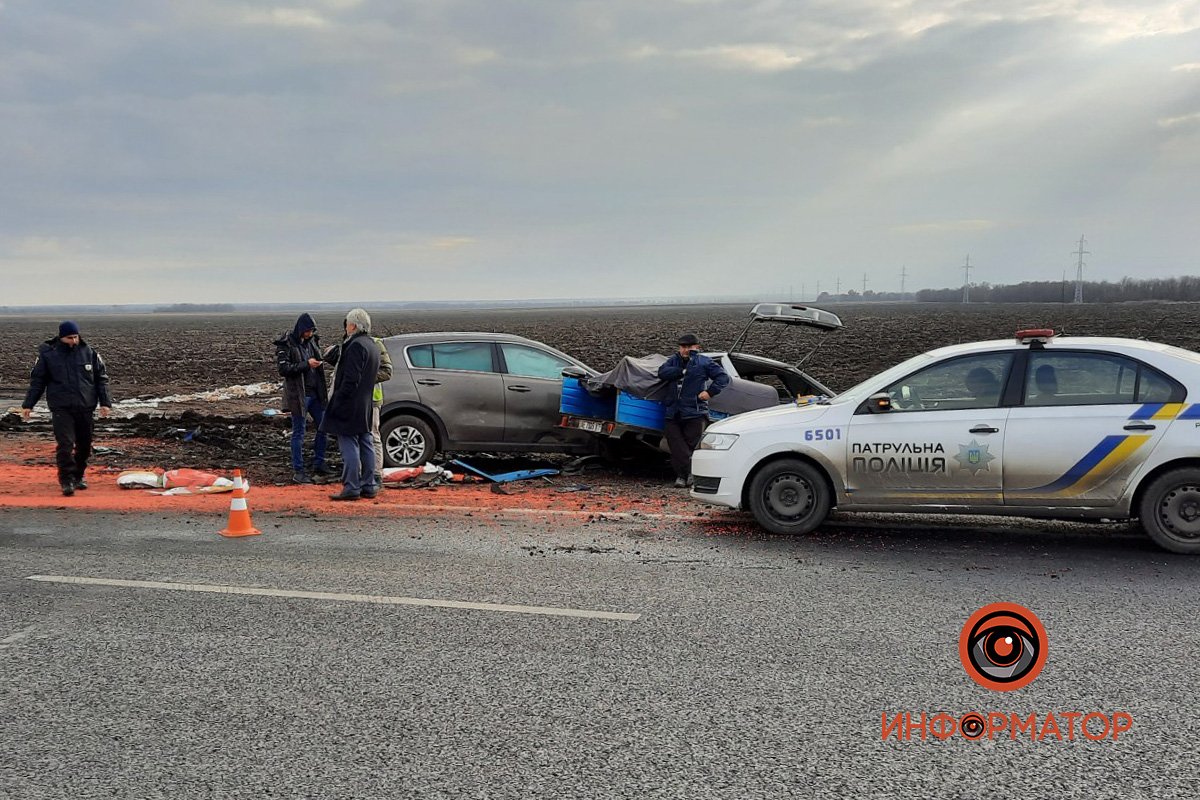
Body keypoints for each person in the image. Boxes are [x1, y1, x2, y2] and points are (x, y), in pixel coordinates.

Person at [21, 321, 113, 496]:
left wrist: (105, 403)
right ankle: (66, 479)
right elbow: (38, 382)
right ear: (62, 337)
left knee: (85, 446)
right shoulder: (48, 355)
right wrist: (28, 404)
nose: (74, 341)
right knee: (65, 444)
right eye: (70, 338)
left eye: (76, 337)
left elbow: (101, 379)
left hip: (85, 406)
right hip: (61, 407)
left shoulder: (89, 352)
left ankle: (78, 475)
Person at [319, 309, 381, 501]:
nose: (346, 328)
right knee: (366, 441)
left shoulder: (354, 346)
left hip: (349, 404)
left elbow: (350, 379)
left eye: (347, 324)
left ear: (353, 325)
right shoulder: (373, 345)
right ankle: (369, 484)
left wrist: (338, 401)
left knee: (348, 444)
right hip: (365, 403)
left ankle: (352, 486)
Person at [657, 333, 730, 488]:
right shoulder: (673, 361)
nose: (686, 350)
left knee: (692, 445)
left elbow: (723, 377)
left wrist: (710, 392)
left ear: (697, 347)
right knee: (676, 446)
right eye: (683, 347)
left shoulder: (704, 362)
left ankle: (686, 477)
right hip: (673, 411)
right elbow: (662, 373)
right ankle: (685, 475)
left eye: (690, 347)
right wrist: (682, 371)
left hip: (695, 411)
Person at [274, 312, 330, 484]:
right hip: (299, 395)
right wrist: (306, 365)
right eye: (308, 331)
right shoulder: (287, 344)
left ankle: (319, 462)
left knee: (323, 427)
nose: (310, 334)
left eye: (312, 331)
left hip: (315, 393)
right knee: (299, 432)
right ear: (301, 329)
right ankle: (298, 470)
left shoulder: (312, 342)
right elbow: (284, 369)